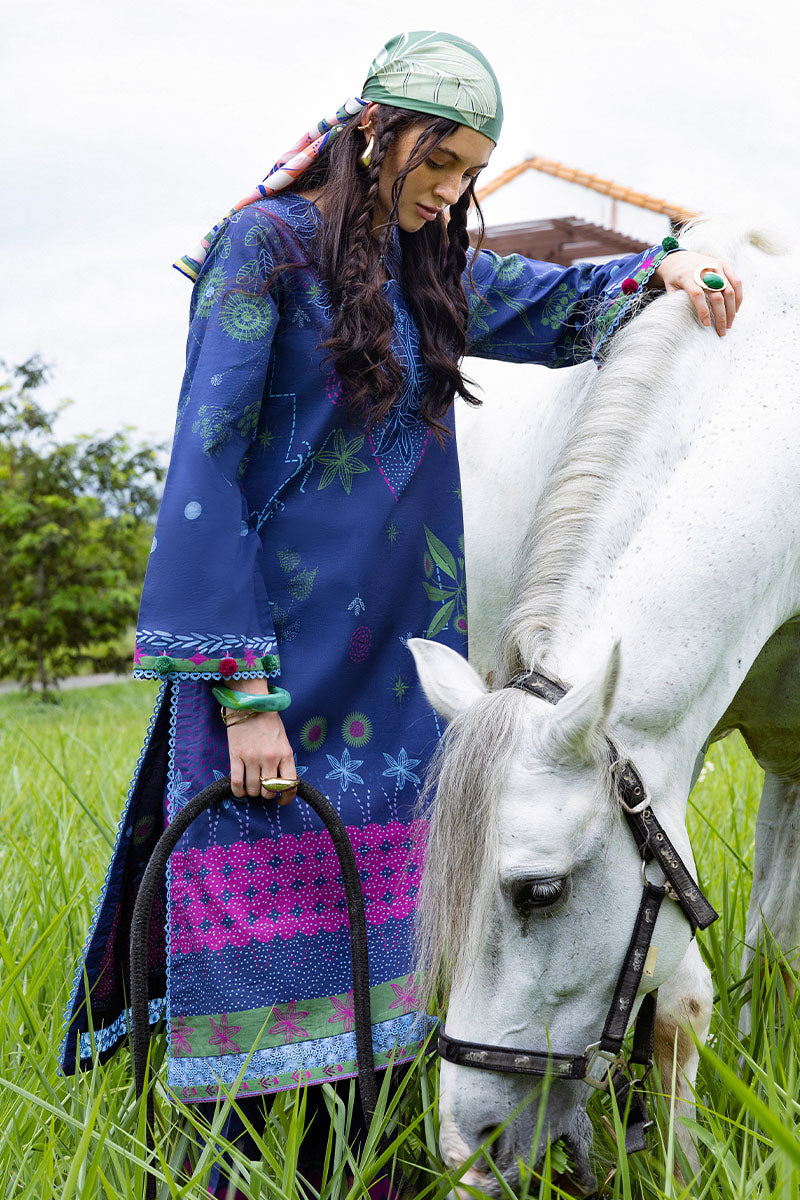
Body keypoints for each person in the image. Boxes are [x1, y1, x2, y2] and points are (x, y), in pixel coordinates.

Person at [60, 28, 742, 1195]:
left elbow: (558, 301)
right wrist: (243, 696)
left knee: (392, 948)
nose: (451, 188)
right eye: (441, 160)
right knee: (254, 942)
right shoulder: (262, 248)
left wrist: (664, 269)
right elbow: (206, 470)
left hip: (400, 673)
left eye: (470, 171)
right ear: (376, 128)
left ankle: (376, 1174)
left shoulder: (431, 270)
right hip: (274, 668)